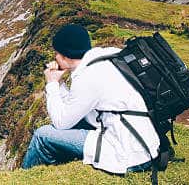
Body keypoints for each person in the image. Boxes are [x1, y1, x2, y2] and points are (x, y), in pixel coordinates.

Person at [22, 24, 159, 175]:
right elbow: (75, 108)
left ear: (66, 56)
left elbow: (61, 123)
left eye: (57, 53)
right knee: (69, 126)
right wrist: (60, 83)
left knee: (43, 135)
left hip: (129, 152)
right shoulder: (106, 56)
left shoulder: (88, 77)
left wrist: (52, 84)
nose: (55, 57)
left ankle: (21, 179)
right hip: (143, 139)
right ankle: (52, 172)